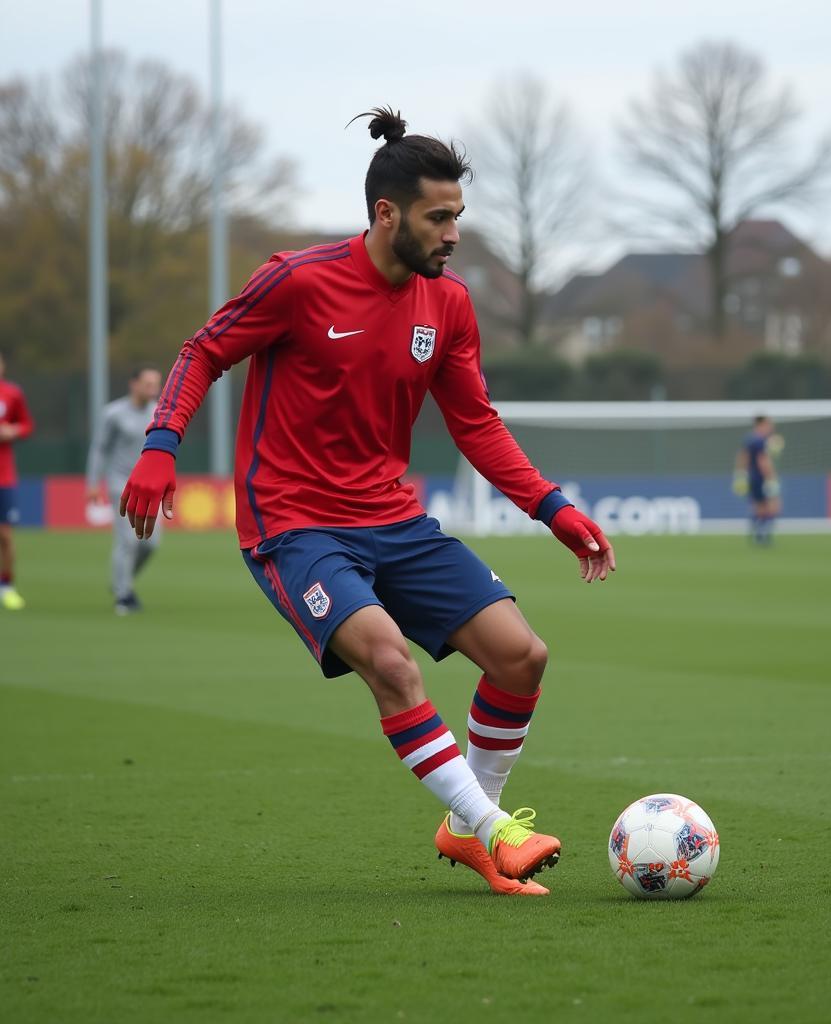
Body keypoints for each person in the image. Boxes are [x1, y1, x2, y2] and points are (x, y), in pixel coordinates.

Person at [119, 107, 615, 897]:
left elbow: (475, 423)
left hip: (393, 519)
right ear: (387, 214)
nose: (454, 234)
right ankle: (494, 832)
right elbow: (202, 350)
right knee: (390, 661)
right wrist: (159, 445)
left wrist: (552, 507)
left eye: (459, 216)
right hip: (295, 525)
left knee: (523, 657)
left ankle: (466, 826)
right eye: (440, 217)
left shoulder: (446, 305)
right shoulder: (298, 280)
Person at [86, 365, 164, 614]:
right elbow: (100, 448)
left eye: (156, 384)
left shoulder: (160, 413)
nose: (154, 389)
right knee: (128, 540)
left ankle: (123, 579)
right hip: (121, 483)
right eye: (148, 383)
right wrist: (92, 482)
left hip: (151, 486)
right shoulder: (114, 413)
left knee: (150, 544)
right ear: (134, 384)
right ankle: (123, 596)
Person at [0, 351, 34, 611]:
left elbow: (26, 425)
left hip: (4, 476)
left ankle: (7, 586)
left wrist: (13, 430)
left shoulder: (12, 393)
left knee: (6, 536)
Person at [732, 414, 781, 544]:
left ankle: (756, 532)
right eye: (768, 424)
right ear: (761, 425)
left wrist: (740, 475)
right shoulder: (760, 441)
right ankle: (763, 535)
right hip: (761, 477)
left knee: (758, 506)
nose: (771, 427)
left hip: (751, 477)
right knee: (773, 506)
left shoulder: (749, 439)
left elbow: (742, 457)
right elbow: (763, 461)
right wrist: (771, 478)